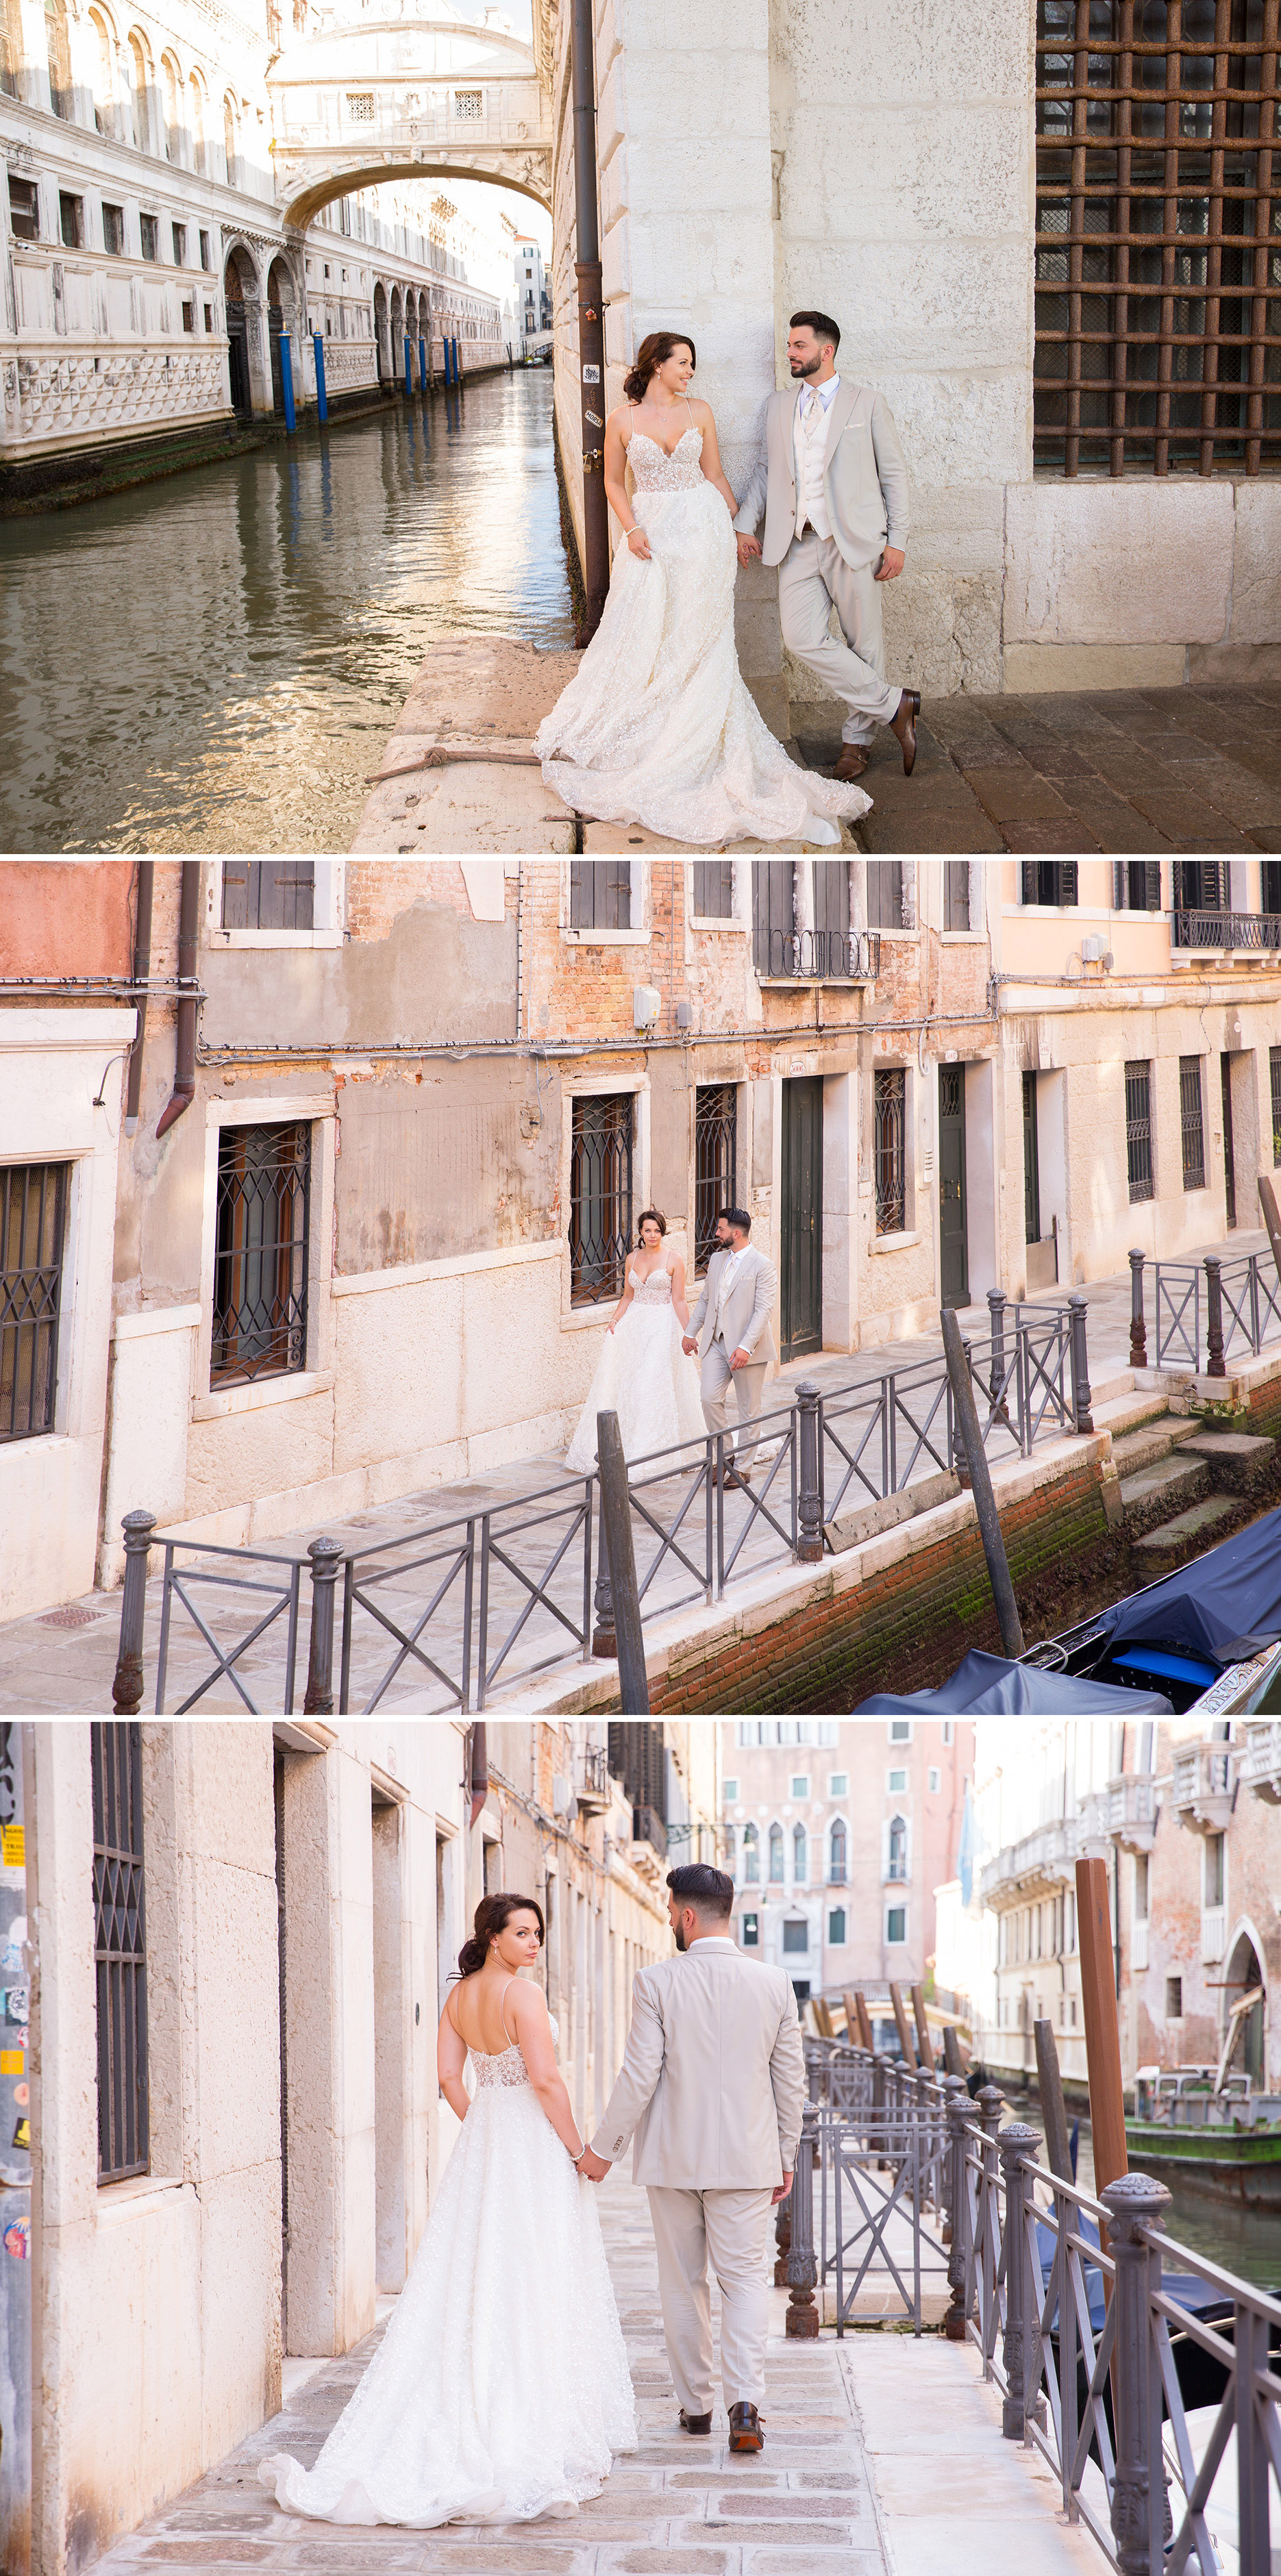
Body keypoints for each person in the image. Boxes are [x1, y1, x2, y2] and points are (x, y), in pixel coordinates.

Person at [258, 1894, 636, 2527]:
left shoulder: (458, 1999)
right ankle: (521, 2412)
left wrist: (485, 2123)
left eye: (538, 1933)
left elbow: (450, 2077)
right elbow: (545, 2080)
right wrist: (579, 2149)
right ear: (493, 1936)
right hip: (534, 2143)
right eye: (522, 1933)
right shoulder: (524, 1995)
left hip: (486, 2141)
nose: (534, 1943)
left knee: (475, 2264)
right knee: (533, 2267)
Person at [534, 331, 871, 847]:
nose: (690, 371)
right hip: (650, 533)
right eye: (683, 362)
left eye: (692, 364)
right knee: (645, 630)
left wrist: (740, 528)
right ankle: (649, 729)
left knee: (700, 636)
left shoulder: (701, 412)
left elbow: (713, 475)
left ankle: (701, 728)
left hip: (703, 534)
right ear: (657, 364)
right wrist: (631, 528)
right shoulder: (622, 420)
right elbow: (614, 484)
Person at [577, 1864, 805, 2455]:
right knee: (747, 2282)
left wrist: (603, 2149)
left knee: (683, 2285)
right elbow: (791, 2082)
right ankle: (746, 2407)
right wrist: (786, 2154)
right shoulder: (776, 1983)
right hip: (750, 2161)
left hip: (674, 2162)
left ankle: (697, 2407)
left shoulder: (655, 1982)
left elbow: (638, 2076)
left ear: (685, 1915)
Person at [734, 310, 920, 785]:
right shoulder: (778, 406)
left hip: (853, 542)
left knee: (865, 645)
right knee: (801, 638)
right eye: (790, 345)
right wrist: (744, 523)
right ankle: (895, 704)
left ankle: (857, 745)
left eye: (798, 345)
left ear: (826, 350)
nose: (790, 353)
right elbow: (764, 471)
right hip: (796, 543)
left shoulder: (867, 403)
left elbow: (894, 476)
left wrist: (897, 541)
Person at [564, 1208, 706, 1475]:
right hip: (634, 1327)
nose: (652, 1235)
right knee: (627, 1383)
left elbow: (678, 1300)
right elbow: (628, 1296)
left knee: (648, 1383)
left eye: (657, 1230)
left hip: (662, 1327)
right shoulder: (632, 1258)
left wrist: (689, 1333)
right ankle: (625, 1443)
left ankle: (648, 1451)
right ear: (640, 1232)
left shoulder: (674, 1259)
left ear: (662, 1232)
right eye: (647, 1230)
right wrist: (615, 1321)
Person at [681, 1208, 778, 1490]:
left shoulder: (763, 1265)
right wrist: (690, 1332)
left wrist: (745, 1347)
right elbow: (706, 1300)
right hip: (715, 1342)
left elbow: (763, 1311)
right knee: (709, 1398)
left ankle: (744, 1469)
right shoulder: (716, 1259)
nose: (716, 1234)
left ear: (735, 1234)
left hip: (748, 1349)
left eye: (720, 1229)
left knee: (749, 1409)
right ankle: (724, 1457)